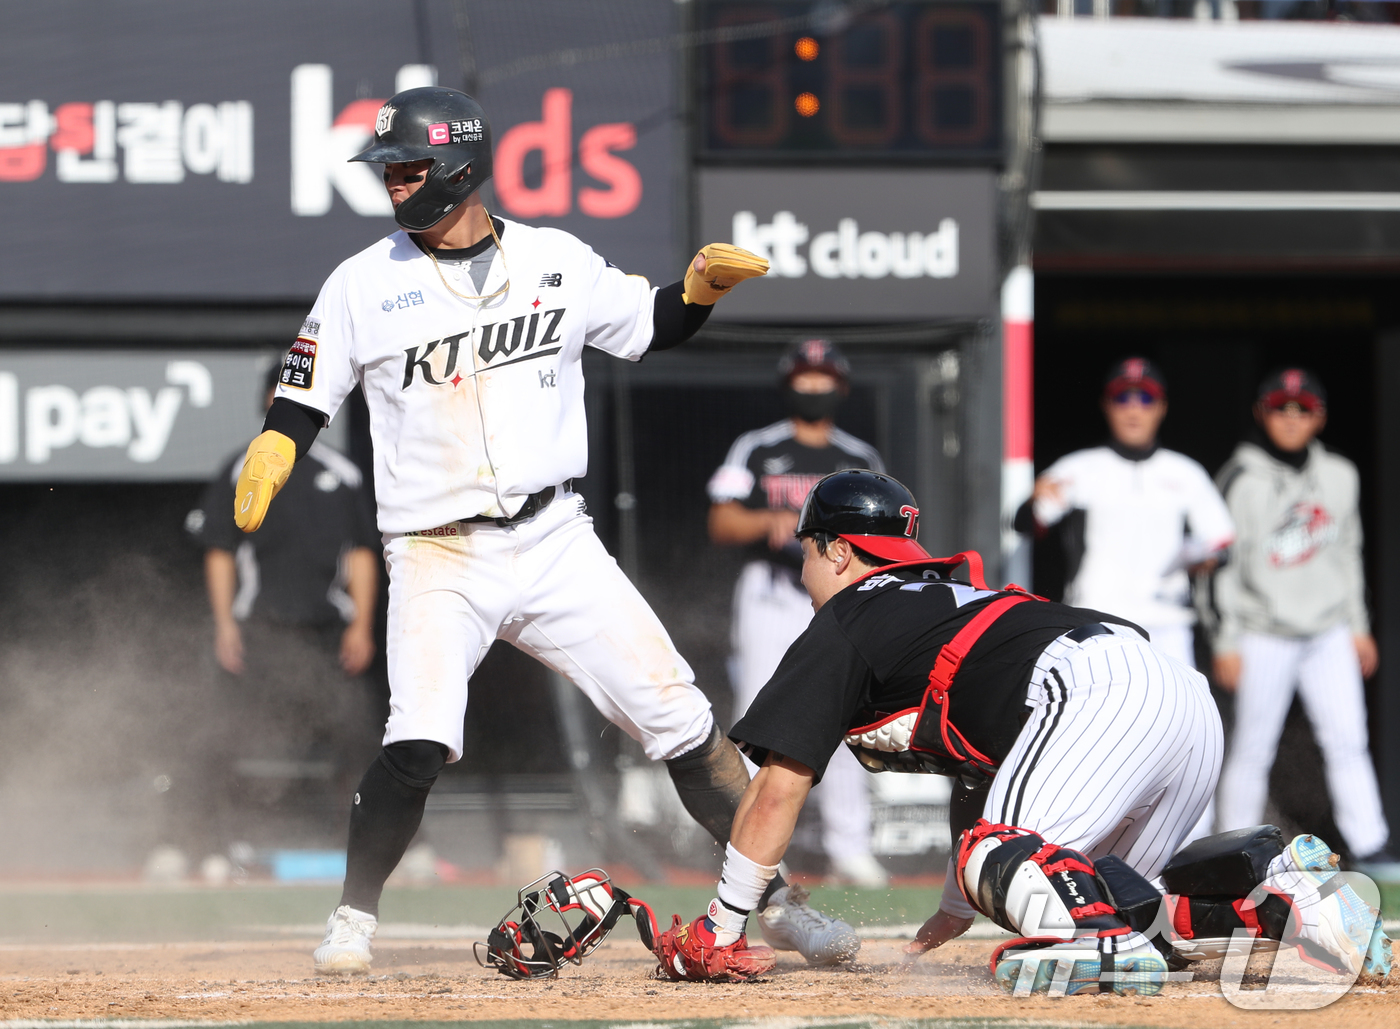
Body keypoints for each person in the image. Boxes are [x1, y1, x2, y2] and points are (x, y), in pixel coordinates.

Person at [227, 85, 855, 974]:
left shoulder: (555, 258)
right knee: (419, 735)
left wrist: (702, 290)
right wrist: (277, 443)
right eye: (387, 172)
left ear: (459, 168)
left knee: (680, 718)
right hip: (437, 549)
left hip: (556, 537)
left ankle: (779, 902)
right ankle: (353, 919)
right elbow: (302, 393)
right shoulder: (364, 281)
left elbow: (650, 323)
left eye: (408, 169)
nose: (393, 187)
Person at [653, 470, 1390, 992]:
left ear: (837, 550)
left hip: (1097, 690)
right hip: (1173, 694)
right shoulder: (942, 596)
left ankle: (1103, 945)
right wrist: (953, 906)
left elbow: (777, 789)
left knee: (1018, 870)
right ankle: (1285, 899)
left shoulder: (849, 614)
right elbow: (983, 770)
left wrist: (721, 926)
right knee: (1131, 899)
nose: (805, 567)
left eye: (809, 550)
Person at [708, 338, 889, 889]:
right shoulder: (759, 448)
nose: (814, 389)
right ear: (789, 384)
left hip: (841, 595)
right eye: (804, 379)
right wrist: (767, 523)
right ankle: (749, 849)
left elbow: (889, 537)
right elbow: (721, 522)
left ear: (841, 386)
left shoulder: (860, 458)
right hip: (771, 592)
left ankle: (850, 848)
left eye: (824, 378)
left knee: (848, 713)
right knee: (758, 714)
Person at [1210, 368, 1394, 867]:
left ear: (1320, 416)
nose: (1291, 419)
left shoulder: (1339, 475)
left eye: (1303, 409)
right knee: (1252, 747)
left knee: (1348, 740)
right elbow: (1218, 567)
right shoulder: (1240, 477)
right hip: (1262, 630)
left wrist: (1359, 626)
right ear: (1261, 412)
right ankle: (1231, 851)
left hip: (1328, 628)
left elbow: (1348, 553)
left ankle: (1372, 845)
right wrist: (1225, 638)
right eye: (1280, 407)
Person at [186, 364, 381, 810]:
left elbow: (362, 555)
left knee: (361, 737)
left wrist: (361, 626)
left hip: (329, 633)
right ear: (265, 405)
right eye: (279, 401)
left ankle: (390, 847)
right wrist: (225, 626)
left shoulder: (343, 474)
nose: (287, 412)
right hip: (261, 630)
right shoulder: (240, 470)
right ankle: (193, 847)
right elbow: (218, 551)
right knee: (217, 735)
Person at [1015, 358, 1234, 669]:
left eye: (1145, 399)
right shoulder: (1078, 468)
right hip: (1096, 621)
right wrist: (1030, 500)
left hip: (1168, 624)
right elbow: (1025, 524)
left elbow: (1223, 545)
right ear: (1107, 405)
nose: (1134, 410)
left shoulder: (1186, 472)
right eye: (1123, 398)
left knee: (1178, 717)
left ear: (1162, 407)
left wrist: (1209, 559)